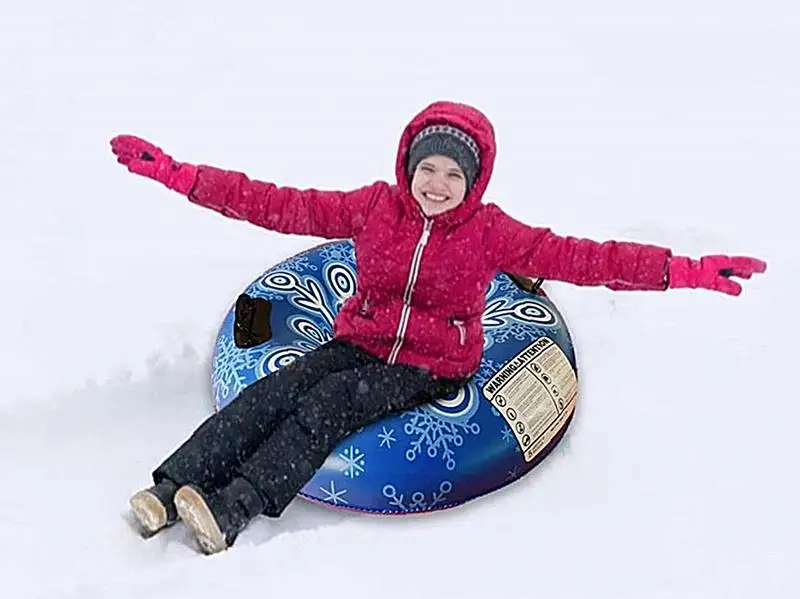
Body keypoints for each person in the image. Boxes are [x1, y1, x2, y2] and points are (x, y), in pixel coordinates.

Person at [110, 100, 766, 555]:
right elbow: (284, 205)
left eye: (454, 174)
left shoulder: (490, 234)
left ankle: (232, 509)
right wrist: (183, 176)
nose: (437, 183)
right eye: (428, 168)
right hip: (356, 339)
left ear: (473, 182)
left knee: (330, 403)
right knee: (277, 390)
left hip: (428, 366)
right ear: (408, 165)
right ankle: (171, 489)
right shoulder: (376, 208)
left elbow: (583, 256)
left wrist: (684, 269)